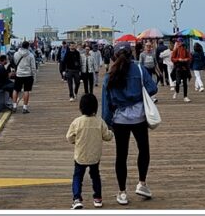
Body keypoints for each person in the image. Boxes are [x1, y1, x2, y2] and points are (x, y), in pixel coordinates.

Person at [101, 49, 158, 205]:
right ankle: (142, 183)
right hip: (139, 117)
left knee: (121, 155)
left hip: (120, 119)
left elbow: (106, 101)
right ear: (131, 56)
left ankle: (122, 192)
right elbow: (153, 88)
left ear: (115, 57)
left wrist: (107, 122)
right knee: (144, 150)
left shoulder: (110, 74)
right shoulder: (140, 69)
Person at [66, 94, 113, 209]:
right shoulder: (99, 121)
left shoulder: (77, 122)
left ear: (81, 107)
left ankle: (77, 198)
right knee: (95, 176)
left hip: (80, 155)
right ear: (95, 108)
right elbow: (107, 136)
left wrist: (75, 141)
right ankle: (97, 198)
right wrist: (112, 132)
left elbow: (69, 137)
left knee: (78, 177)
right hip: (94, 156)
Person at [12, 41, 38, 113]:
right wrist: (34, 76)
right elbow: (33, 67)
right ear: (28, 46)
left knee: (16, 90)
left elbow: (14, 63)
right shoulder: (31, 55)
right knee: (26, 90)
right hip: (28, 75)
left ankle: (14, 106)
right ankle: (24, 108)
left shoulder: (16, 54)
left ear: (21, 46)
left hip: (19, 74)